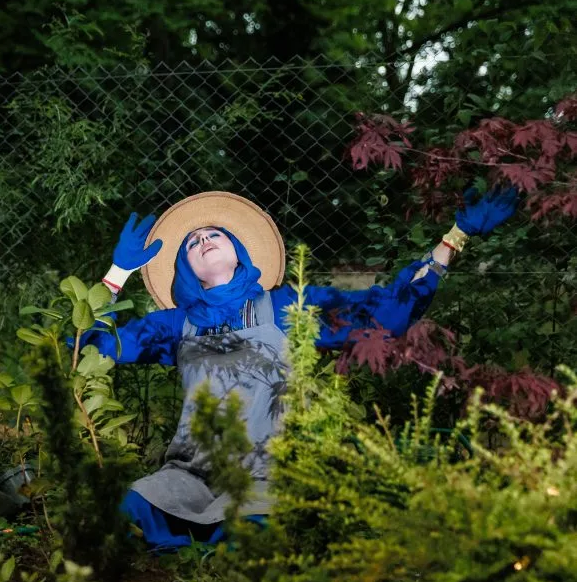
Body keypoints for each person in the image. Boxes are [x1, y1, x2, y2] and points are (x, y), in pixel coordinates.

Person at [79, 188, 518, 551]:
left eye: (214, 234)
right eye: (192, 243)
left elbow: (385, 313)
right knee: (121, 511)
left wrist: (454, 237)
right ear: (184, 269)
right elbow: (90, 347)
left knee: (256, 536)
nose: (203, 240)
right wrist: (117, 274)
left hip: (267, 472)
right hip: (191, 473)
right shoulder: (174, 325)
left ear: (238, 251)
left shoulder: (287, 306)